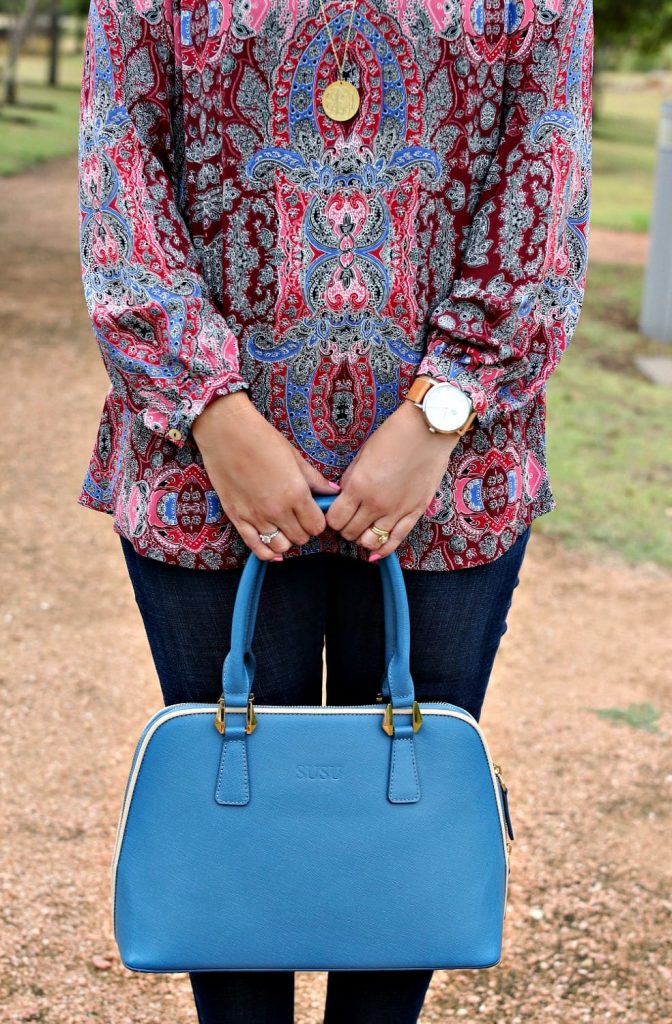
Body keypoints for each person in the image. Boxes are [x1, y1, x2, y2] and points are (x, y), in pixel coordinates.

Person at [76, 0, 593, 1020]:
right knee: (235, 849)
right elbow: (117, 161)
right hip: (204, 476)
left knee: (400, 858)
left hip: (449, 482)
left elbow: (549, 167)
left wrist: (442, 410)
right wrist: (210, 408)